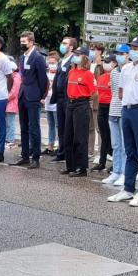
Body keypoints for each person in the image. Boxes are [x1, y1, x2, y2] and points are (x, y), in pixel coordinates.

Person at [108, 36, 138, 207]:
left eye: (136, 48)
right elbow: (120, 92)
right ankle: (128, 189)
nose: (133, 51)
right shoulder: (126, 68)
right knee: (130, 151)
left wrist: (136, 100)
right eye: (132, 48)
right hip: (126, 109)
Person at [12, 31, 48, 169]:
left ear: (31, 42)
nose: (22, 44)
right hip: (23, 95)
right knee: (24, 128)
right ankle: (25, 155)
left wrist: (41, 96)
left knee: (34, 128)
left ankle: (36, 158)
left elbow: (43, 80)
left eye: (24, 42)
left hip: (33, 97)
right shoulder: (22, 57)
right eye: (21, 42)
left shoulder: (37, 57)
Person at [60, 46, 95, 177]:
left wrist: (84, 100)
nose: (76, 56)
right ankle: (71, 166)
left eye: (79, 54)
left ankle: (81, 167)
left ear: (85, 57)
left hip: (81, 104)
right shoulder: (71, 72)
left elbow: (93, 93)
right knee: (68, 135)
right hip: (70, 103)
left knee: (80, 137)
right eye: (75, 54)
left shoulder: (88, 74)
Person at [102, 44, 129, 186]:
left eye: (122, 53)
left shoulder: (130, 70)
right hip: (114, 110)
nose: (119, 56)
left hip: (125, 111)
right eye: (117, 53)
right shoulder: (113, 72)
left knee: (125, 145)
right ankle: (116, 172)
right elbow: (114, 92)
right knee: (116, 144)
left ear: (127, 55)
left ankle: (125, 173)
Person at [49, 37, 76, 163]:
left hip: (67, 98)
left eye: (65, 44)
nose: (62, 45)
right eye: (62, 43)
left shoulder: (73, 60)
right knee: (60, 126)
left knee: (67, 127)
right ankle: (61, 152)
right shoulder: (61, 61)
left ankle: (68, 153)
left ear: (71, 47)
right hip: (59, 97)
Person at [92, 54, 114, 172]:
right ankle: (102, 162)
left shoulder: (115, 77)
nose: (105, 63)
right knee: (104, 136)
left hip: (111, 107)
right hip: (102, 106)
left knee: (112, 137)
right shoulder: (101, 77)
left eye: (108, 61)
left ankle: (115, 161)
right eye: (104, 61)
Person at [43, 52, 60, 155]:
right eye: (50, 62)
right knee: (51, 125)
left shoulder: (59, 73)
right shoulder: (46, 73)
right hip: (48, 101)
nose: (51, 64)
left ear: (57, 63)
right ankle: (50, 146)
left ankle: (59, 146)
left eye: (53, 63)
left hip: (56, 102)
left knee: (58, 125)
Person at [5, 60, 21, 148]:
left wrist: (5, 98)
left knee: (10, 122)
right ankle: (8, 139)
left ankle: (10, 140)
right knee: (7, 122)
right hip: (9, 103)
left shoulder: (16, 78)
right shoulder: (11, 77)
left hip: (12, 103)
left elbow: (14, 92)